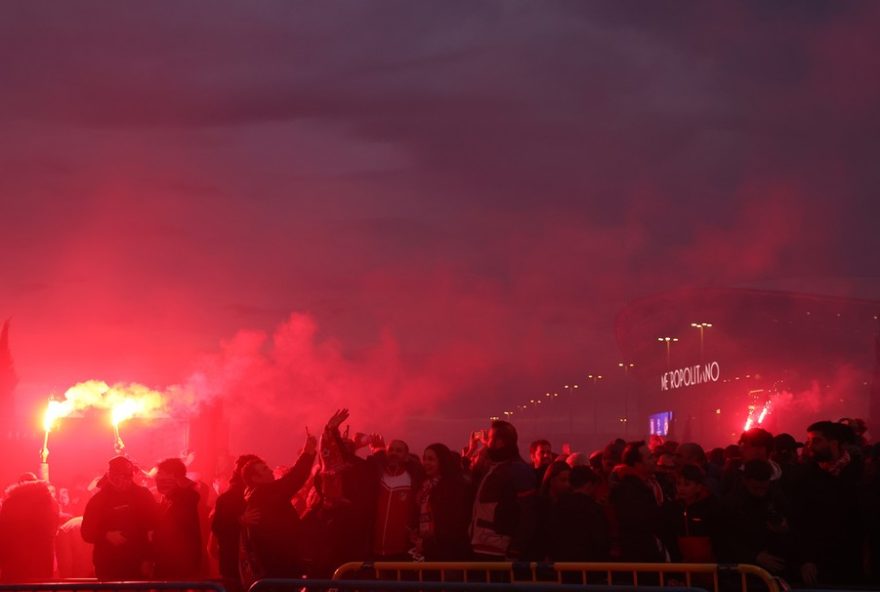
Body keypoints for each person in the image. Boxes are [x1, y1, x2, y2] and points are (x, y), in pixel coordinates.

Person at [239, 432, 317, 588]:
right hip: (279, 568)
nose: (269, 470)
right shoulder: (265, 494)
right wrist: (307, 453)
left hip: (273, 567)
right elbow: (294, 479)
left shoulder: (256, 496)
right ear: (255, 478)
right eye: (264, 470)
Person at [795, 421, 864, 586]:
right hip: (820, 564)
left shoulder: (859, 472)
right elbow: (799, 520)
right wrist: (805, 559)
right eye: (809, 441)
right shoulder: (805, 476)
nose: (811, 446)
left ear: (834, 442)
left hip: (854, 559)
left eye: (816, 441)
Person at [81, 456, 159, 579]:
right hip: (108, 565)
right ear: (110, 476)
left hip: (138, 563)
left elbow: (154, 528)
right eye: (117, 476)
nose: (122, 481)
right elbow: (86, 532)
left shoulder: (143, 495)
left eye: (126, 476)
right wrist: (106, 535)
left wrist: (149, 558)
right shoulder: (98, 500)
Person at [470, 420, 537, 560]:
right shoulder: (495, 467)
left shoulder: (518, 470)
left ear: (499, 442)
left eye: (489, 438)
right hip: (482, 544)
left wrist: (516, 548)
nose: (486, 442)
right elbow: (472, 476)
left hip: (499, 548)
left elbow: (529, 513)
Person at [717, 460, 793, 579]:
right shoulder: (731, 504)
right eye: (756, 488)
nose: (761, 493)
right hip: (743, 572)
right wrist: (753, 556)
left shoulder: (777, 498)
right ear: (745, 481)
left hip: (776, 566)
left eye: (764, 488)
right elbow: (724, 539)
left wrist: (785, 530)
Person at [210, 454, 262, 592]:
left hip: (239, 564)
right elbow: (218, 527)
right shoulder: (231, 497)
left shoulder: (252, 494)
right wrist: (239, 521)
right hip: (238, 564)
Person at [609, 441, 666, 562]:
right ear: (637, 463)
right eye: (650, 457)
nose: (655, 459)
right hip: (639, 554)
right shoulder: (626, 489)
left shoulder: (654, 482)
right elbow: (640, 521)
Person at [369, 438, 423, 560]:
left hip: (401, 549)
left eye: (399, 451)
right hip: (374, 548)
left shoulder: (413, 480)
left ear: (407, 456)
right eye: (391, 450)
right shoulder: (378, 476)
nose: (394, 453)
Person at [415, 443, 470, 560]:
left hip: (448, 552)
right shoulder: (425, 486)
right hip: (427, 548)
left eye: (431, 459)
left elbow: (453, 523)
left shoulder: (453, 486)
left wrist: (428, 544)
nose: (426, 463)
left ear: (442, 461)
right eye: (424, 458)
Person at [0, 474, 59, 582]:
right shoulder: (51, 503)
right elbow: (53, 531)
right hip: (42, 561)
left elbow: (3, 535)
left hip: (14, 562)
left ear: (19, 484)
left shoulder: (10, 503)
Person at [548, 465, 610, 562]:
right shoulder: (593, 508)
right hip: (589, 566)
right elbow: (601, 541)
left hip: (563, 566)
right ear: (589, 485)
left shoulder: (558, 505)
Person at [153, 457, 202, 578]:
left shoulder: (187, 497)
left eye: (162, 475)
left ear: (174, 477)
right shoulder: (167, 498)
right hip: (165, 560)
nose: (158, 478)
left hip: (181, 562)